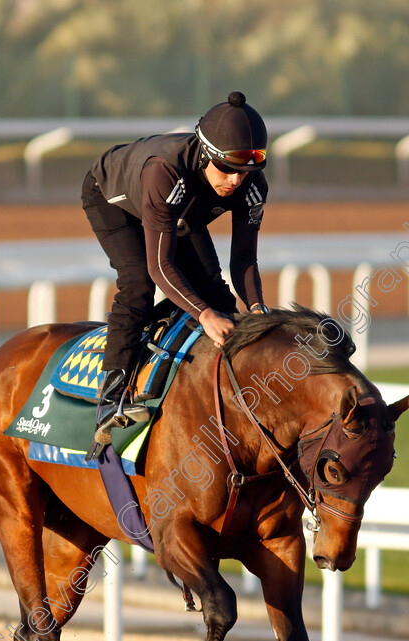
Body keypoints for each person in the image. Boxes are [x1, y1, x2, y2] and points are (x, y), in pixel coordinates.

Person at [81, 90, 269, 446]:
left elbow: (244, 260)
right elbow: (159, 266)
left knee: (216, 294)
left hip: (180, 208)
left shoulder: (249, 184)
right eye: (227, 169)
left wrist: (259, 312)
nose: (235, 181)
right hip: (114, 198)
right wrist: (203, 315)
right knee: (138, 285)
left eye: (246, 172)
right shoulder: (166, 171)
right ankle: (110, 400)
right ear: (206, 155)